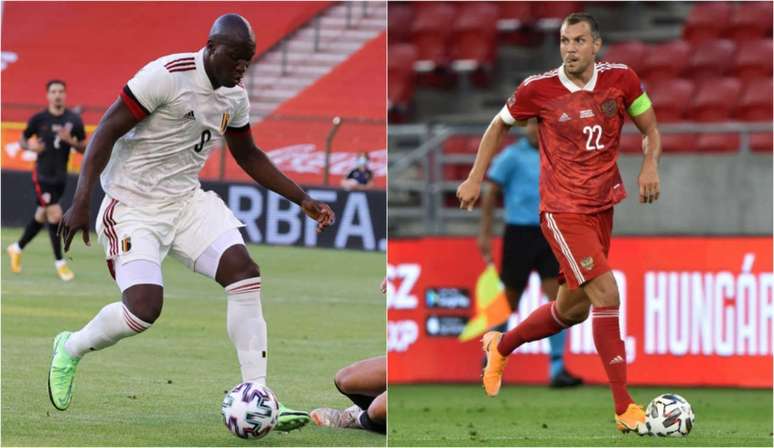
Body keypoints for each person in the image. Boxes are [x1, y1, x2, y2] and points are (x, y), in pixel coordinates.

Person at [49, 14, 335, 433]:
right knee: (143, 310)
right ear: (212, 48)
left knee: (244, 274)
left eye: (248, 60)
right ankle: (70, 347)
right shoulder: (165, 76)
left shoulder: (234, 97)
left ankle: (258, 397)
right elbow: (105, 132)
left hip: (185, 203)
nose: (243, 68)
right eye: (237, 58)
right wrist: (81, 201)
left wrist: (303, 198)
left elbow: (249, 155)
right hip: (132, 205)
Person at [457, 12, 661, 434]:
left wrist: (649, 164)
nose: (570, 49)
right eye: (565, 41)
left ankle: (501, 344)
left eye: (579, 41)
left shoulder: (622, 80)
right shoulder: (538, 89)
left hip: (603, 207)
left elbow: (650, 127)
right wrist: (476, 175)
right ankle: (624, 408)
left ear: (596, 45)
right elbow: (498, 125)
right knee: (607, 293)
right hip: (562, 210)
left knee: (573, 310)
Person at [478, 118, 582, 388]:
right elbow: (490, 192)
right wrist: (485, 232)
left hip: (550, 232)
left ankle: (558, 369)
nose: (536, 130)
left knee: (558, 301)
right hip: (520, 234)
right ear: (525, 128)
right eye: (532, 125)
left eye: (541, 126)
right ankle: (492, 352)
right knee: (509, 301)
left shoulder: (559, 155)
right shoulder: (512, 156)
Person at [7, 80, 86, 281]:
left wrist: (70, 141)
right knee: (55, 215)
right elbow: (23, 140)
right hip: (41, 176)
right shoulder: (39, 119)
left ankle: (16, 248)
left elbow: (84, 148)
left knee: (42, 215)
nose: (57, 95)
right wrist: (30, 147)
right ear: (47, 95)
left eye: (60, 91)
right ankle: (60, 263)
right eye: (53, 91)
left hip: (60, 178)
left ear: (65, 95)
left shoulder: (73, 120)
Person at [309, 280, 386, 433]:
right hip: (414, 360)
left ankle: (359, 419)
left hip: (442, 371)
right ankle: (368, 409)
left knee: (379, 410)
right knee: (344, 379)